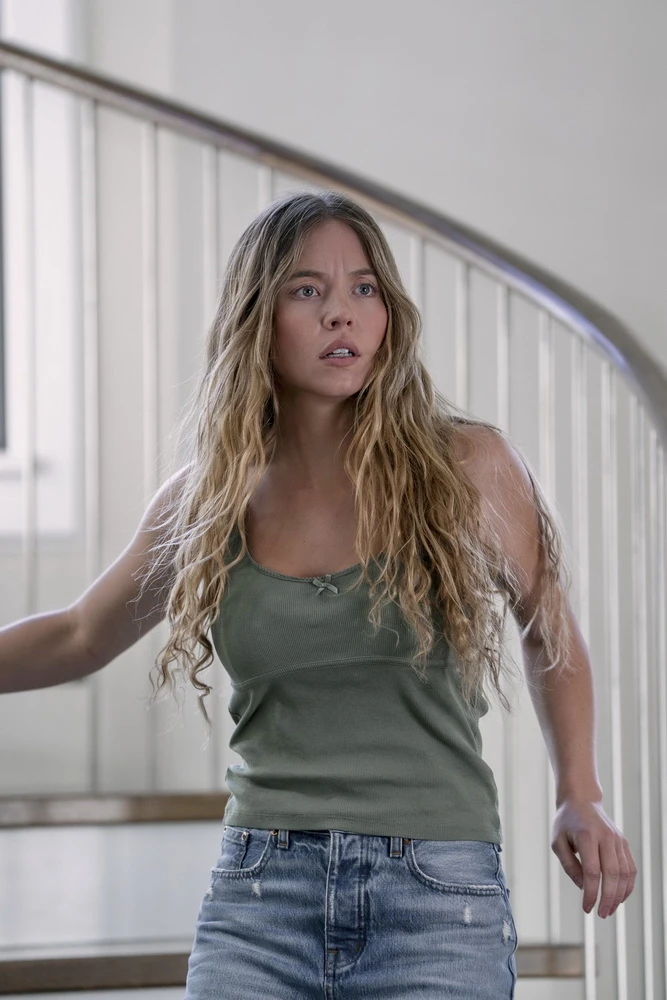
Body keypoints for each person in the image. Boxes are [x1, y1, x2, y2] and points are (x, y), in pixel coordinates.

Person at [0, 190, 636, 998]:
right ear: (257, 319)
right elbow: (78, 634)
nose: (342, 313)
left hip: (436, 899)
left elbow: (548, 629)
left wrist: (579, 793)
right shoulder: (208, 499)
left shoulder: (466, 466)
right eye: (307, 290)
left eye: (363, 288)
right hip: (260, 896)